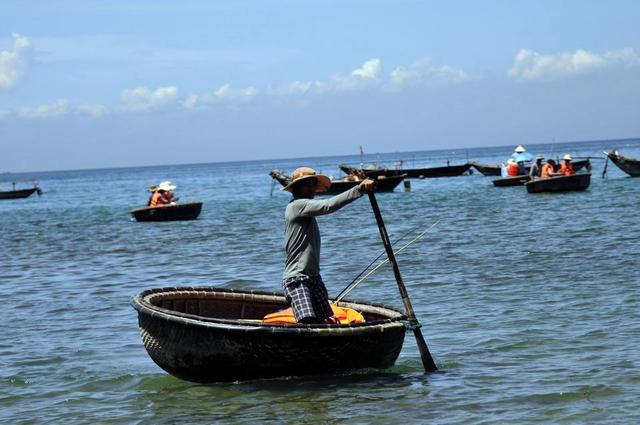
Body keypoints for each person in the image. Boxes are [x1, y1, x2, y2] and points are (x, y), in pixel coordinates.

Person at [281, 167, 375, 324]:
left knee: (328, 321)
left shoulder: (307, 210)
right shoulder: (297, 206)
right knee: (308, 323)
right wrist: (358, 189)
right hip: (297, 279)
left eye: (313, 184)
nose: (311, 188)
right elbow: (328, 205)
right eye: (307, 184)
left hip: (314, 278)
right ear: (297, 188)